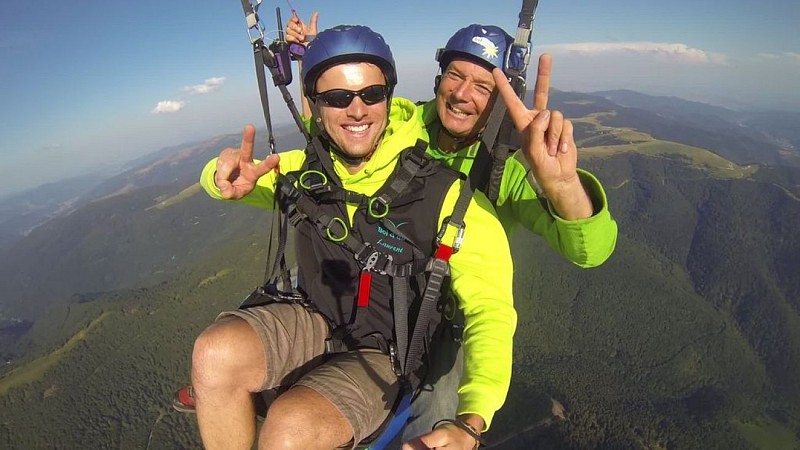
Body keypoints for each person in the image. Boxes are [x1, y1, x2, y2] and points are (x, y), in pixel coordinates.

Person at [286, 17, 618, 448]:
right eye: (456, 77)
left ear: (503, 100)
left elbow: (590, 250)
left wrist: (562, 186)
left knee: (435, 420)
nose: (463, 95)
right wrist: (317, 58)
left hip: (447, 317)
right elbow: (334, 133)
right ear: (439, 78)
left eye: (484, 87)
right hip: (377, 299)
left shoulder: (506, 168)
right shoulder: (401, 125)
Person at [191, 24, 517, 450]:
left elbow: (491, 313)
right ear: (315, 107)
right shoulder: (301, 169)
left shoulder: (451, 197)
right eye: (338, 98)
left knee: (291, 428)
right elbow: (232, 180)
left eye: (371, 94)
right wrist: (221, 180)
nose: (357, 109)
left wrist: (471, 421)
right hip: (315, 315)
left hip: (387, 353)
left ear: (389, 96)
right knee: (214, 354)